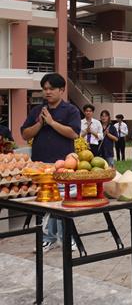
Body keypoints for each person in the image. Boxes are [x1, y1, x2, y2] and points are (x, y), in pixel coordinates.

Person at [21, 73, 81, 252]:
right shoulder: (36, 111)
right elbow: (25, 134)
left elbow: (74, 133)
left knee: (62, 203)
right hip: (40, 166)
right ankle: (49, 238)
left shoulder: (71, 110)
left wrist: (52, 122)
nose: (47, 92)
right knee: (46, 203)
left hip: (63, 166)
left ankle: (67, 237)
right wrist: (40, 123)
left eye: (51, 89)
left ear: (61, 90)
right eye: (44, 89)